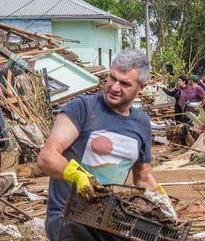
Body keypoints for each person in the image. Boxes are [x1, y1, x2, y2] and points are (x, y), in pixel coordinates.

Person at [37, 49, 166, 241]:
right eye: (112, 78)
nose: (114, 87)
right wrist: (77, 175)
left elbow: (143, 177)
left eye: (124, 84)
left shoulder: (141, 123)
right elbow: (47, 156)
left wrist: (162, 203)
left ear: (142, 87)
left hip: (109, 219)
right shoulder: (83, 108)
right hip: (68, 218)